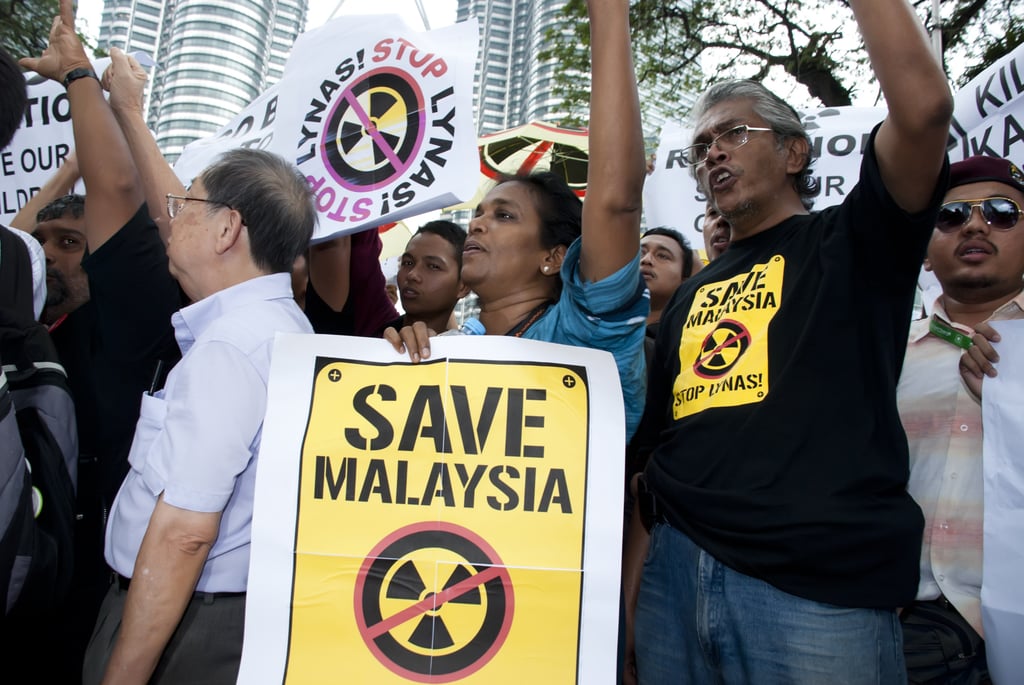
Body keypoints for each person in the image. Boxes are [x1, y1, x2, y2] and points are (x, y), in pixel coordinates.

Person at [625, 0, 954, 681]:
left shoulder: (855, 243)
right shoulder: (691, 292)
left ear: (794, 150)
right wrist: (639, 595)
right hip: (675, 580)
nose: (712, 150)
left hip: (814, 593)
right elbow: (654, 454)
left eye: (733, 133)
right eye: (701, 146)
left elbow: (922, 113)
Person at [80, 146, 315, 683]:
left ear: (227, 228)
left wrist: (123, 673)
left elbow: (184, 533)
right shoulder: (283, 328)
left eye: (185, 202)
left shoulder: (232, 345)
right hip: (211, 615)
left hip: (184, 626)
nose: (171, 217)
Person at [388, 0, 648, 440]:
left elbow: (615, 201)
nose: (476, 225)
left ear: (553, 258)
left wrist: (607, 12)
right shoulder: (445, 346)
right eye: (478, 214)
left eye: (504, 215)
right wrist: (398, 363)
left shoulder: (583, 333)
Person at [19, 4, 183, 678]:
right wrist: (61, 184)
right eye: (42, 246)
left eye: (70, 244)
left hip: (84, 605)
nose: (50, 257)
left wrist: (83, 80)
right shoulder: (27, 325)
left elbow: (122, 191)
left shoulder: (132, 324)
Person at [897, 154, 1024, 683]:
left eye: (1001, 212)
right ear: (926, 251)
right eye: (950, 216)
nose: (975, 224)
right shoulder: (885, 357)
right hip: (904, 627)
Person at [376, 220, 468, 335]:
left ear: (463, 287)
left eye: (433, 266)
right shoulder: (365, 342)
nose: (412, 275)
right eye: (408, 263)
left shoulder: (465, 350)